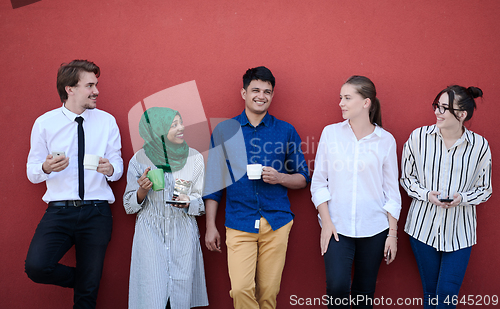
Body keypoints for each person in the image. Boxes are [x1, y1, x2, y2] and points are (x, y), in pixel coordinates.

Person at [203, 66, 309, 309]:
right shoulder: (224, 130)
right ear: (243, 93)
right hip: (239, 222)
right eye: (256, 90)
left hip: (276, 222)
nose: (261, 96)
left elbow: (303, 178)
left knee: (269, 293)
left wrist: (280, 177)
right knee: (240, 289)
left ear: (272, 95)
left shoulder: (285, 130)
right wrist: (210, 226)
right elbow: (213, 184)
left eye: (267, 92)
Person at [25, 60, 123, 309]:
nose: (96, 91)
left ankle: (87, 283)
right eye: (90, 85)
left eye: (96, 84)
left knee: (86, 297)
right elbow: (32, 172)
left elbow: (118, 167)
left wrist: (110, 169)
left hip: (97, 212)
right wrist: (46, 168)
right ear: (70, 89)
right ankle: (83, 279)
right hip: (59, 211)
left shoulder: (107, 122)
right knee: (37, 266)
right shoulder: (45, 123)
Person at [310, 76, 401, 309]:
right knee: (338, 287)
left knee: (364, 293)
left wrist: (392, 234)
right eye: (341, 97)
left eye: (347, 98)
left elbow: (392, 191)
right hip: (337, 227)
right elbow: (318, 183)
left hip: (375, 228)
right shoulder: (330, 134)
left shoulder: (386, 140)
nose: (341, 103)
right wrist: (327, 223)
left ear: (366, 103)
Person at [400, 85, 492, 309]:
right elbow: (406, 178)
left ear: (461, 114)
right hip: (422, 228)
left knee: (448, 293)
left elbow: (485, 188)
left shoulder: (479, 146)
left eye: (444, 108)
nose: (437, 112)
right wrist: (425, 194)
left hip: (460, 231)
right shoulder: (418, 137)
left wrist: (463, 198)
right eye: (436, 106)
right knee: (431, 293)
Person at [123, 107, 208, 309]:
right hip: (150, 233)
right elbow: (128, 205)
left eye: (180, 122)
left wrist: (189, 202)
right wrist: (142, 191)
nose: (181, 128)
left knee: (180, 297)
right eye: (174, 125)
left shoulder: (194, 158)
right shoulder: (139, 159)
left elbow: (201, 203)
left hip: (183, 234)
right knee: (152, 295)